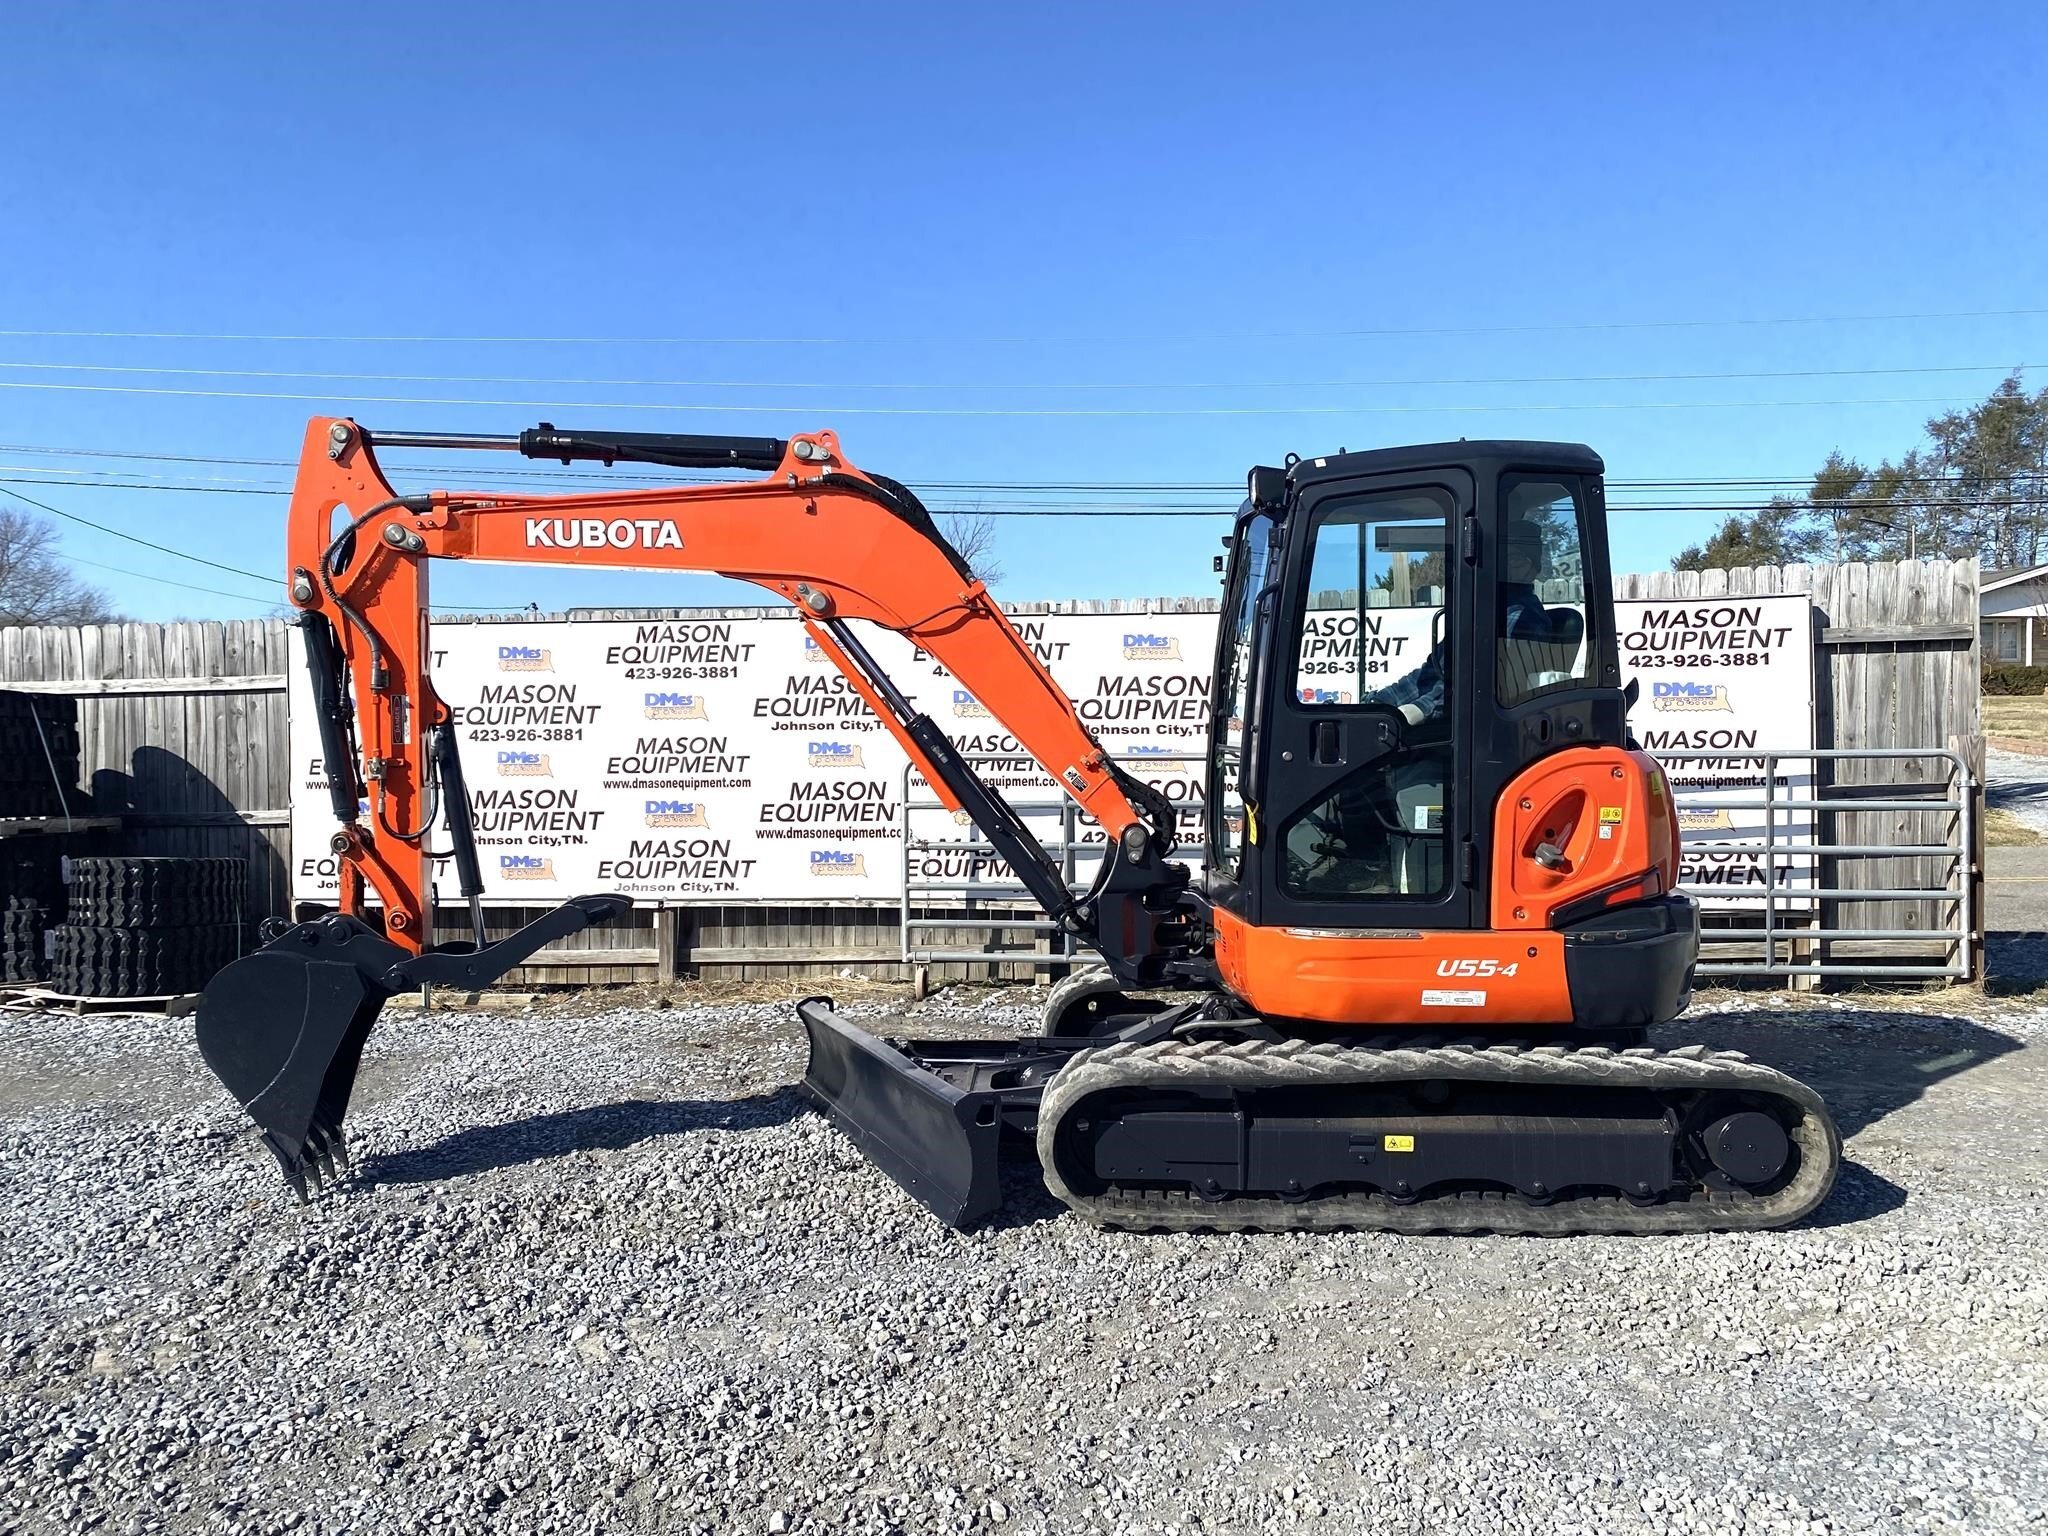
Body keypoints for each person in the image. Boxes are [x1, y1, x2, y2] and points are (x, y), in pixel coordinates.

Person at [1366, 519, 1549, 724]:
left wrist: (1419, 709)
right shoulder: (1484, 613)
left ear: (1532, 568)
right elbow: (1431, 674)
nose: (1501, 564)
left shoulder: (1522, 619)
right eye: (1499, 556)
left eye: (1512, 558)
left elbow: (1476, 684)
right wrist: (1379, 704)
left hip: (1473, 728)